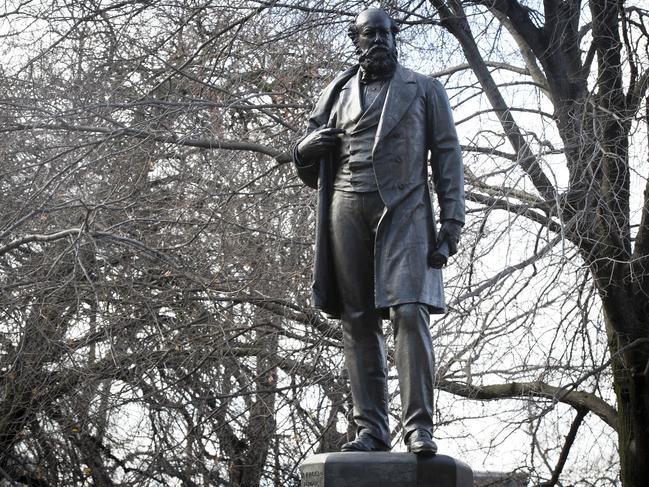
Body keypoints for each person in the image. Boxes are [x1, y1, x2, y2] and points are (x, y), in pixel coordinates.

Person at [293, 8, 465, 455]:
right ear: (356, 40)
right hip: (346, 208)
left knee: (410, 312)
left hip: (405, 210)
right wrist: (303, 150)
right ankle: (372, 430)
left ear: (395, 37)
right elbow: (309, 164)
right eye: (371, 34)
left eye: (387, 33)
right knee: (358, 320)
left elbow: (447, 156)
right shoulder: (334, 94)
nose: (380, 41)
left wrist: (452, 222)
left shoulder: (425, 90)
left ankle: (418, 429)